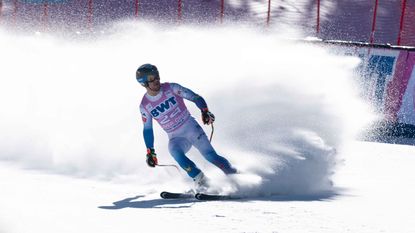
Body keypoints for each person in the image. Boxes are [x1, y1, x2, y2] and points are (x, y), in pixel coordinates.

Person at [136, 63, 237, 191]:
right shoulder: (144, 106)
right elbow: (147, 129)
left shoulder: (171, 87)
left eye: (157, 76)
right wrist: (150, 151)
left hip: (191, 128)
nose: (156, 80)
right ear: (144, 83)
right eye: (151, 78)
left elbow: (195, 97)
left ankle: (235, 177)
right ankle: (201, 180)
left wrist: (204, 111)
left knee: (210, 156)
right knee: (174, 151)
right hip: (176, 137)